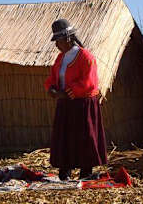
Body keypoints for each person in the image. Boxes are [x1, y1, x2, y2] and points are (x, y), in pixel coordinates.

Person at [44, 18, 107, 180]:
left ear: (68, 39)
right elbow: (52, 77)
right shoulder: (60, 58)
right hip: (65, 104)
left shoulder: (85, 56)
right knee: (65, 137)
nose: (57, 45)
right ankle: (65, 171)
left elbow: (89, 82)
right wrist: (51, 89)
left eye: (58, 41)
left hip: (82, 104)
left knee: (84, 137)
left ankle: (86, 171)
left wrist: (68, 92)